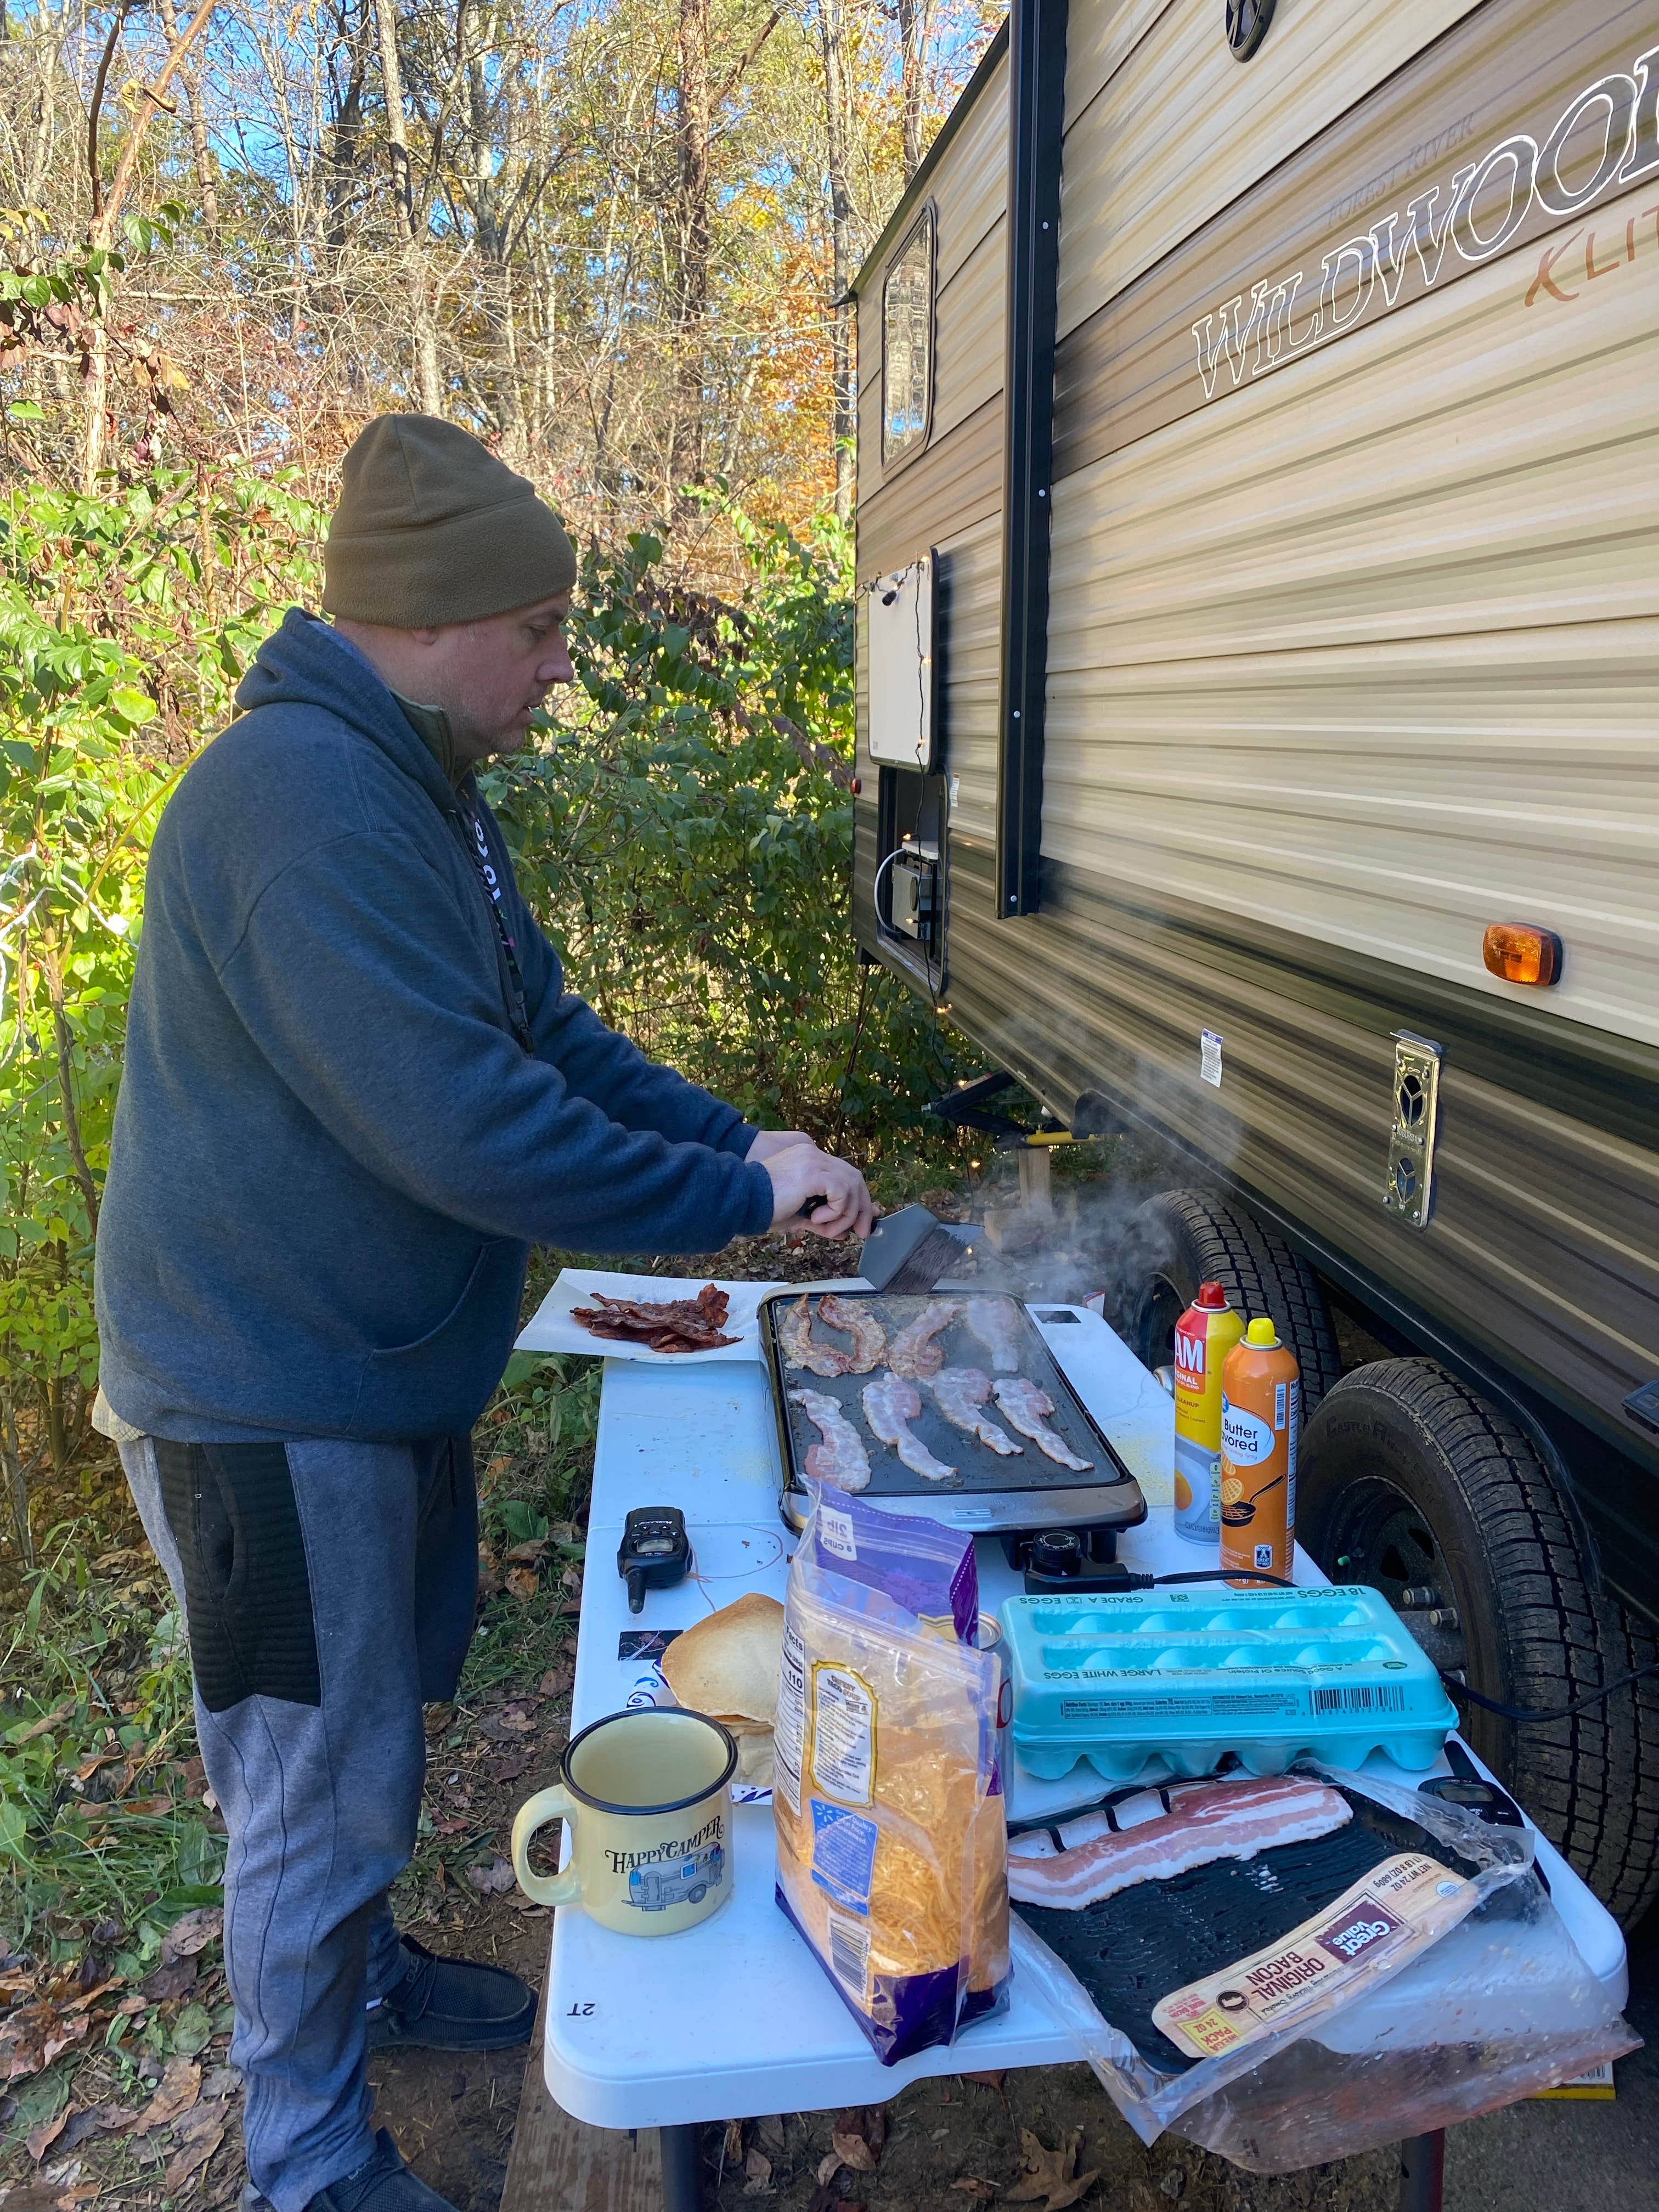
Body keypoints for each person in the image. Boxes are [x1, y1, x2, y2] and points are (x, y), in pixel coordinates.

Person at [93, 415, 875, 2212]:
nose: (558, 664)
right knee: (309, 1787)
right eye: (536, 630)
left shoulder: (425, 797)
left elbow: (553, 1041)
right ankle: (299, 2163)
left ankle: (365, 1981)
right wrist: (736, 1205)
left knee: (376, 1726)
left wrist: (738, 1138)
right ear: (435, 621)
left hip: (353, 1369)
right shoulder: (294, 805)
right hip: (257, 1393)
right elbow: (463, 1122)